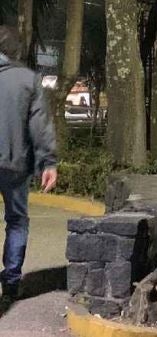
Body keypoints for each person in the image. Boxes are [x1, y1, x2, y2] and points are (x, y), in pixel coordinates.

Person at [0, 25, 57, 300]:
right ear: (16, 51)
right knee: (17, 221)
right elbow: (40, 125)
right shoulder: (28, 79)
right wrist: (48, 163)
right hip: (15, 164)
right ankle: (11, 281)